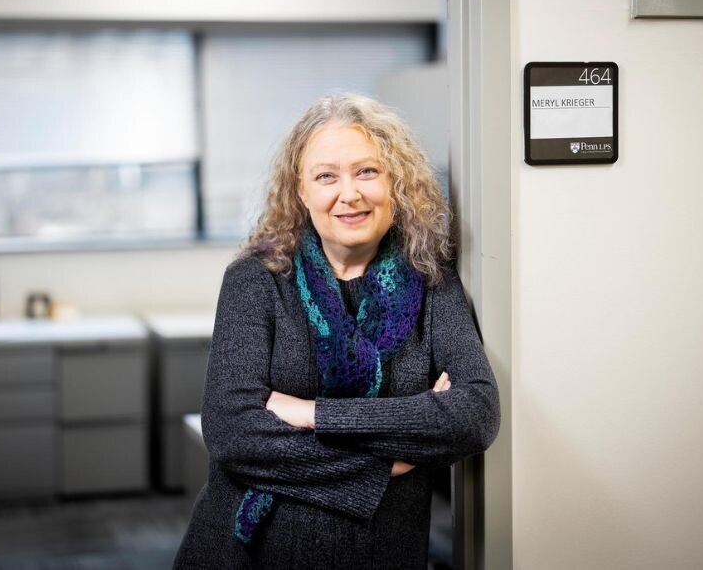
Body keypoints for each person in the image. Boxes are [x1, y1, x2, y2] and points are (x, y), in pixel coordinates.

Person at [171, 93, 500, 569]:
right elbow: (233, 433)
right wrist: (387, 463)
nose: (349, 193)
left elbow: (474, 414)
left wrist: (311, 414)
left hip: (384, 552)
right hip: (251, 555)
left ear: (397, 183)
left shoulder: (431, 278)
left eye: (367, 171)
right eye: (326, 176)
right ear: (301, 192)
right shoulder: (256, 280)